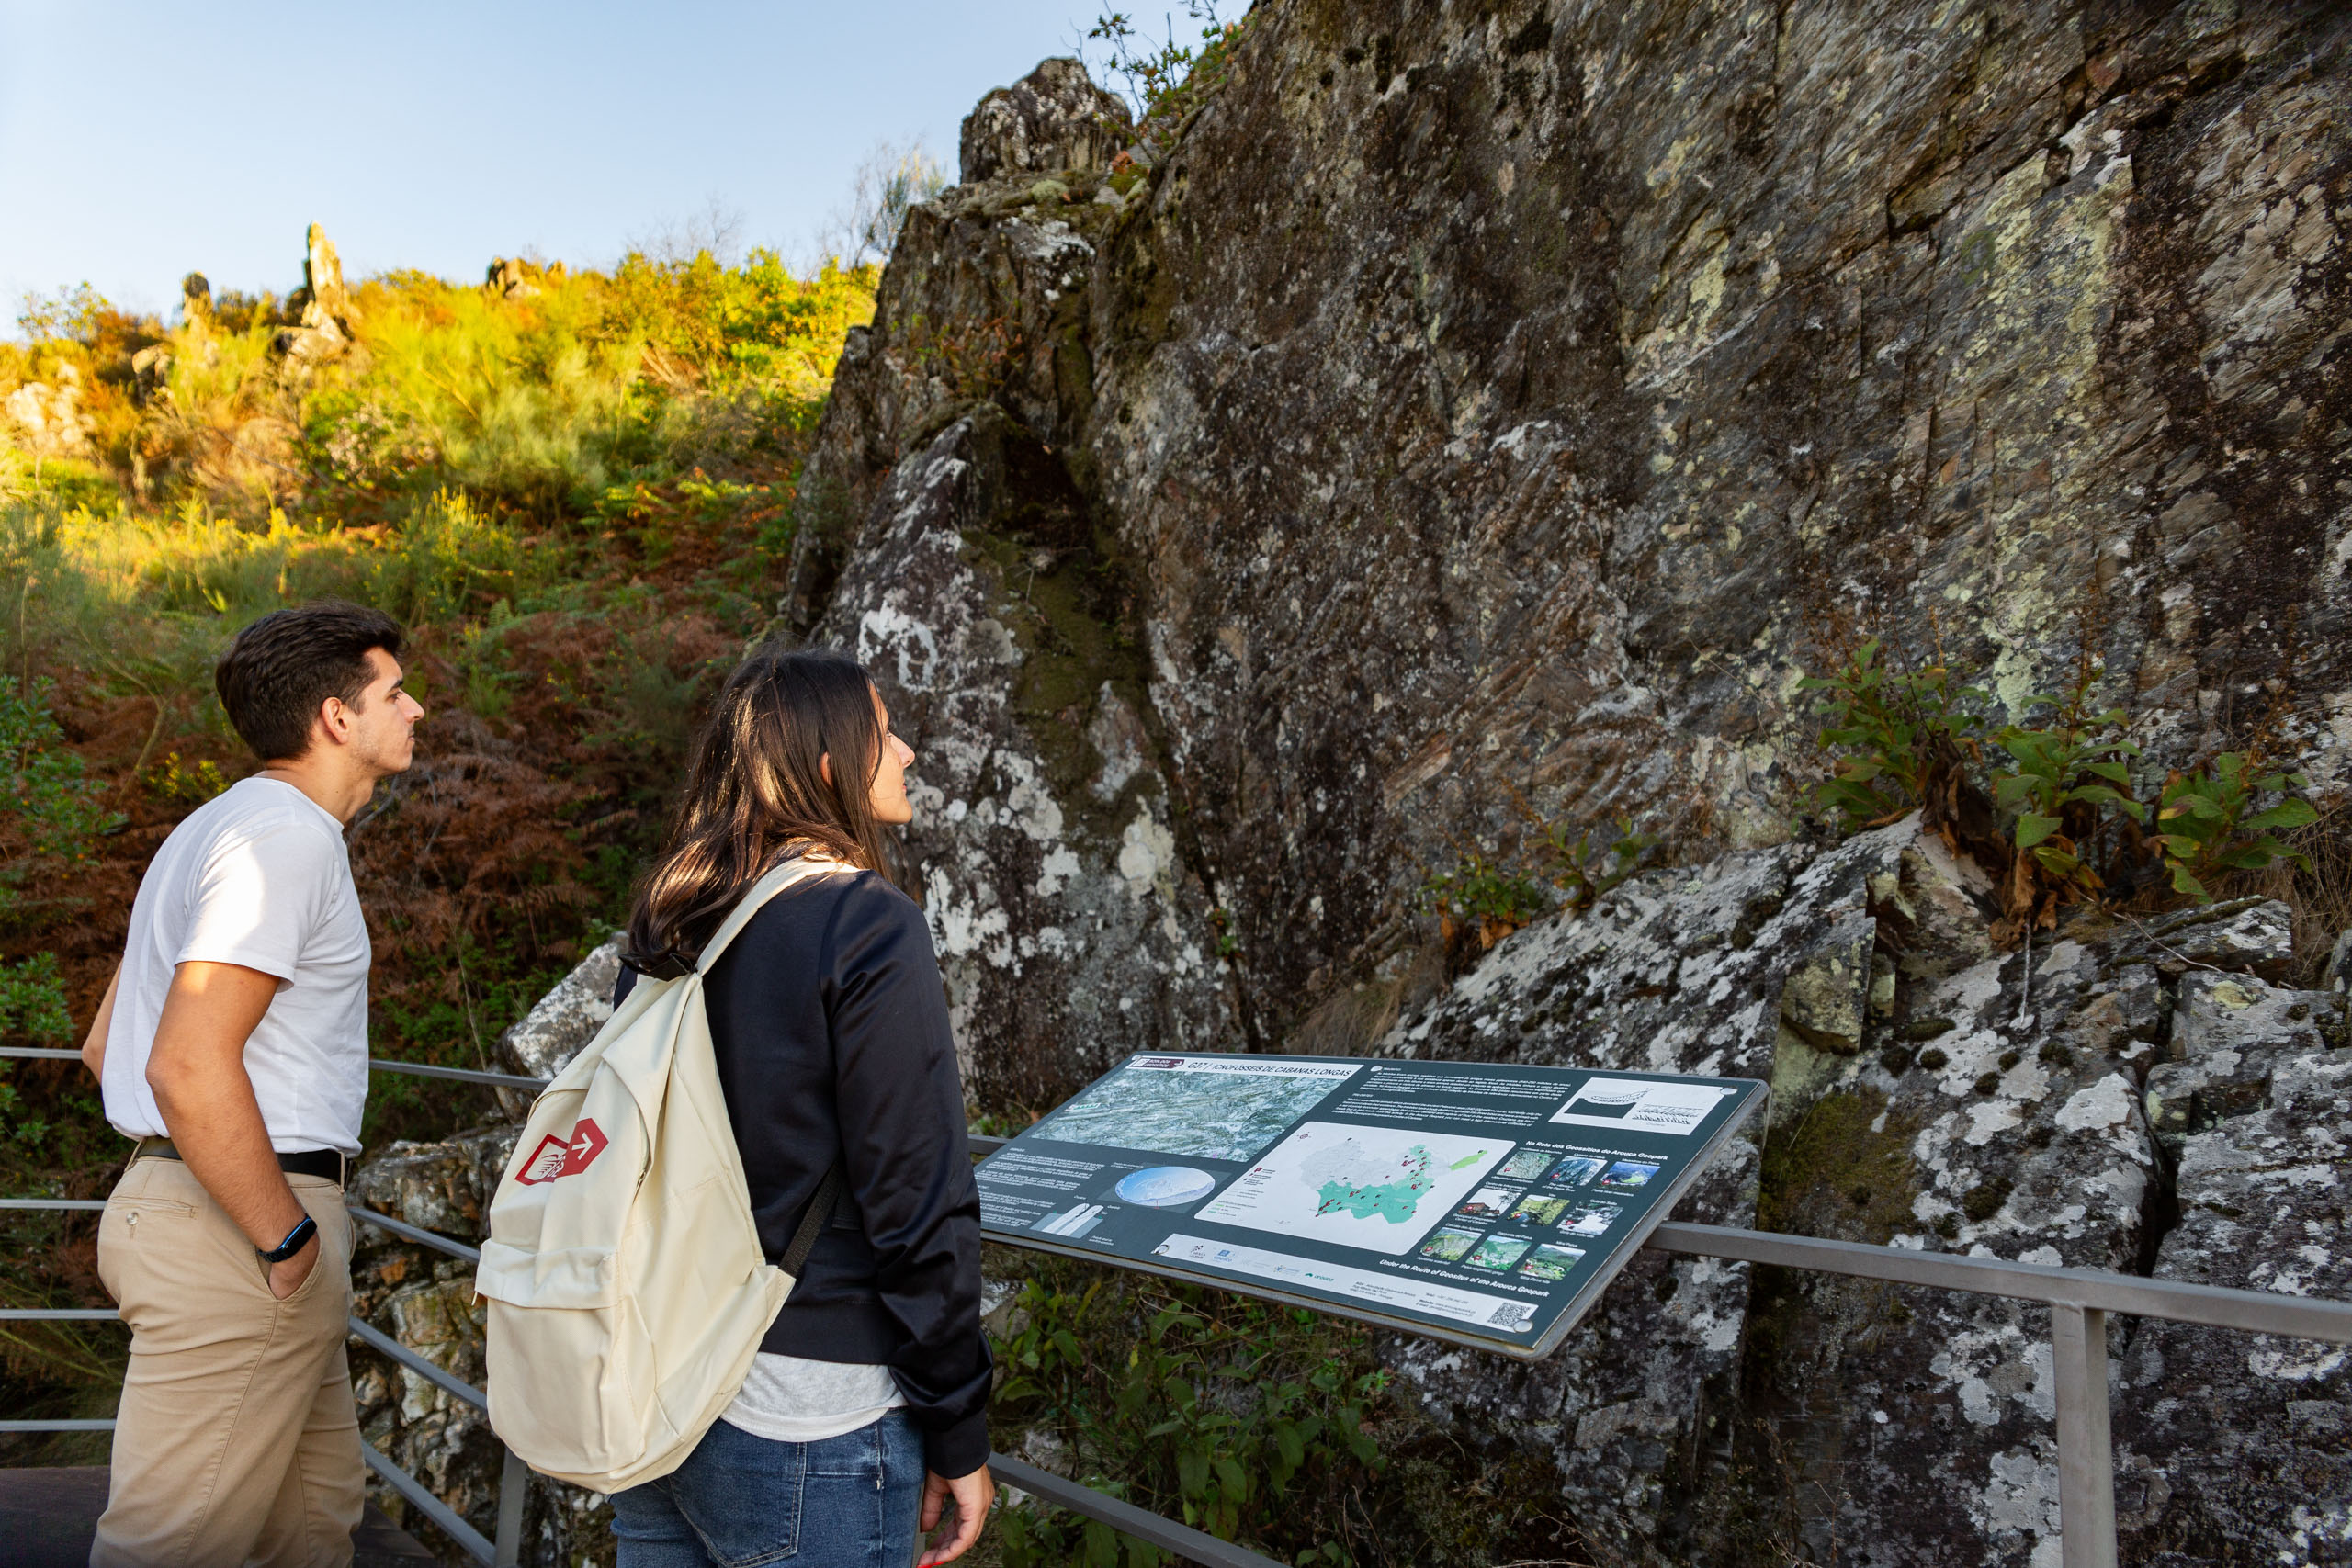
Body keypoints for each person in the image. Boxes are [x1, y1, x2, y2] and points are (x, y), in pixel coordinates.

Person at [607, 646, 994, 1568]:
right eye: (884, 734)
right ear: (827, 767)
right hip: (809, 1417)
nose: (905, 753)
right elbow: (913, 1194)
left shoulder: (674, 917)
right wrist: (958, 1426)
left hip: (660, 1382)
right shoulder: (864, 922)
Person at [79, 600, 423, 1568]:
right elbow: (180, 1060)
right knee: (169, 1548)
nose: (417, 710)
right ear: (335, 718)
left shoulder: (213, 828)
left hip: (208, 1209)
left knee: (311, 1524)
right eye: (394, 691)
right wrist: (286, 1239)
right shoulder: (284, 841)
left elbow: (106, 1046)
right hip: (243, 1224)